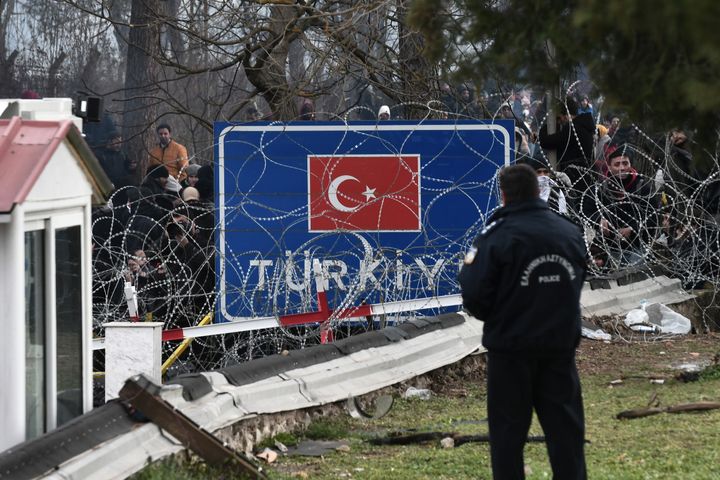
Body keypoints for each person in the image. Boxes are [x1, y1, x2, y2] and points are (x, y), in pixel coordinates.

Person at [458, 164, 587, 480]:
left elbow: (474, 294)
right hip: (559, 348)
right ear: (537, 191)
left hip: (511, 350)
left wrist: (505, 315)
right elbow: (577, 280)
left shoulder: (496, 237)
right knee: (566, 434)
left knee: (507, 437)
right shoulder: (568, 232)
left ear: (503, 196)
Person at [538, 96, 595, 188]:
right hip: (583, 176)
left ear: (567, 115)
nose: (561, 121)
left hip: (575, 178)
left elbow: (546, 141)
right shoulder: (584, 126)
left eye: (560, 117)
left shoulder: (572, 130)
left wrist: (549, 126)